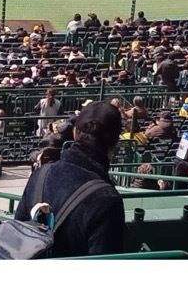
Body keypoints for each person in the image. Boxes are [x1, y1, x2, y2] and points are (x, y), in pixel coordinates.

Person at [14, 101, 125, 257]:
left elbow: (17, 235)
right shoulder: (107, 199)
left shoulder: (40, 173)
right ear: (115, 143)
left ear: (75, 133)